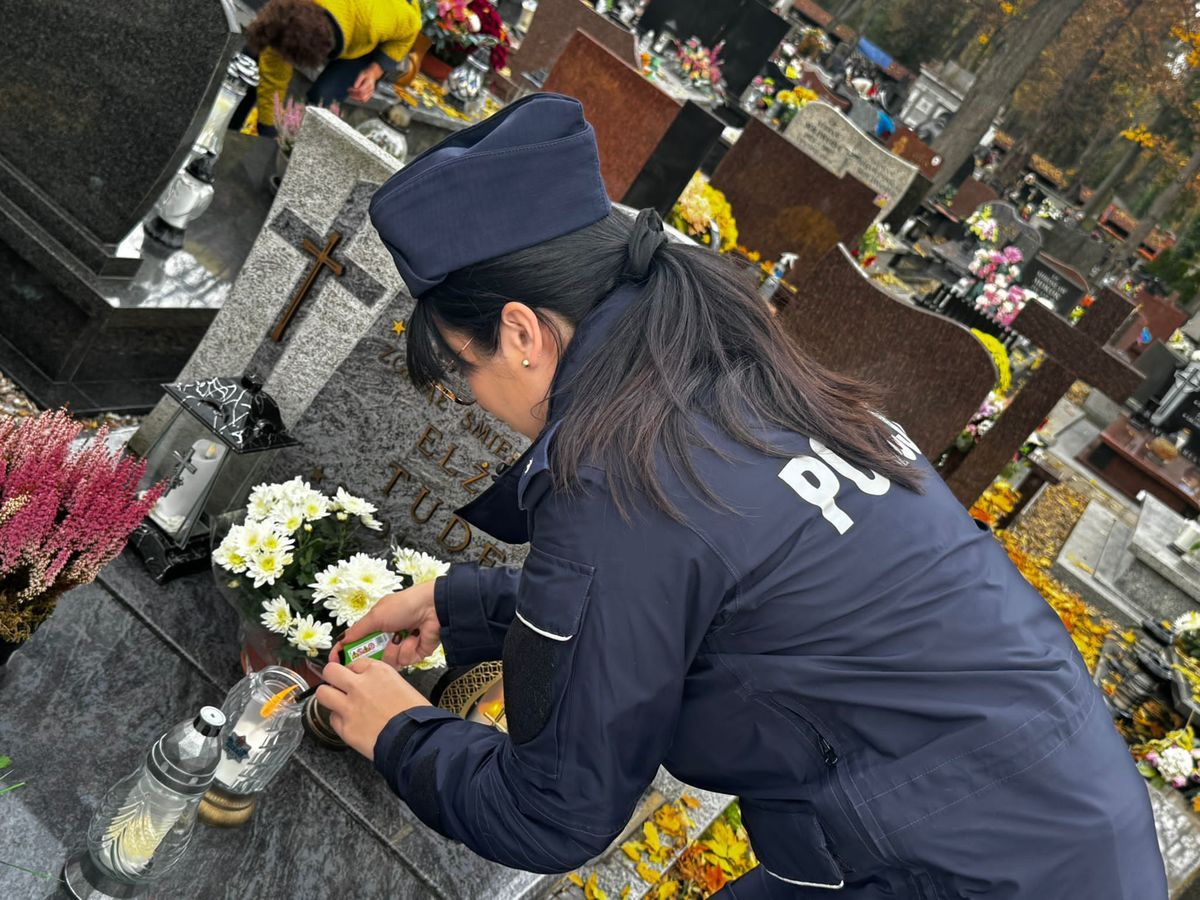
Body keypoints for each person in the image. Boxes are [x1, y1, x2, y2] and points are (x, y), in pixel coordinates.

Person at [315, 93, 1167, 898]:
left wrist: (399, 733)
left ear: (522, 334)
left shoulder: (626, 473)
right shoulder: (732, 373)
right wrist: (464, 604)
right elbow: (699, 600)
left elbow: (554, 811)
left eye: (465, 375)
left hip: (955, 867)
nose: (476, 405)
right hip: (1038, 822)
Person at [242, 0, 420, 137]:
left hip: (374, 21)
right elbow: (274, 70)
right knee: (256, 56)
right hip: (336, 17)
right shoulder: (294, 9)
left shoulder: (390, 18)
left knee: (324, 98)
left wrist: (375, 70)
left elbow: (411, 31)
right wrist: (268, 127)